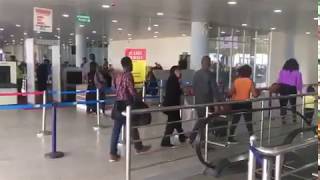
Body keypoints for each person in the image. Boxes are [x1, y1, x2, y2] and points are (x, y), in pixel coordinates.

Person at [109, 57, 151, 162]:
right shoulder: (128, 75)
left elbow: (114, 88)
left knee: (117, 130)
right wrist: (140, 100)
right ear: (128, 64)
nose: (132, 65)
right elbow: (132, 91)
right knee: (132, 126)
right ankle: (139, 147)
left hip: (118, 105)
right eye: (131, 63)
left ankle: (113, 153)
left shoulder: (118, 76)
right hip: (127, 105)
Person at [189, 56, 222, 144]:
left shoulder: (196, 74)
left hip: (198, 102)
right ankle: (199, 140)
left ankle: (196, 138)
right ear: (209, 63)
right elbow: (214, 90)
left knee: (201, 121)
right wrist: (218, 103)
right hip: (207, 103)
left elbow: (193, 88)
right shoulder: (210, 74)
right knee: (203, 121)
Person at [228, 65, 259, 144]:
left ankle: (230, 138)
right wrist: (258, 93)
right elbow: (255, 95)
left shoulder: (236, 81)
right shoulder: (250, 81)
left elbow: (230, 93)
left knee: (235, 121)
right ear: (249, 72)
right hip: (246, 103)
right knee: (248, 121)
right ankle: (252, 138)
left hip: (236, 103)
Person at [161, 66, 186, 147]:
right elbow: (176, 92)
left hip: (172, 105)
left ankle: (182, 137)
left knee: (177, 121)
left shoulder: (173, 79)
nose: (181, 73)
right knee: (172, 123)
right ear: (175, 71)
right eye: (179, 71)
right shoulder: (173, 79)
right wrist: (182, 90)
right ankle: (165, 141)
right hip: (171, 105)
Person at [277, 58, 303, 124]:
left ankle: (283, 119)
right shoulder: (298, 73)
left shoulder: (282, 71)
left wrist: (277, 91)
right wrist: (301, 92)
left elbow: (279, 81)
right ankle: (294, 118)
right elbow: (299, 84)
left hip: (283, 89)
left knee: (283, 105)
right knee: (293, 104)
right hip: (292, 89)